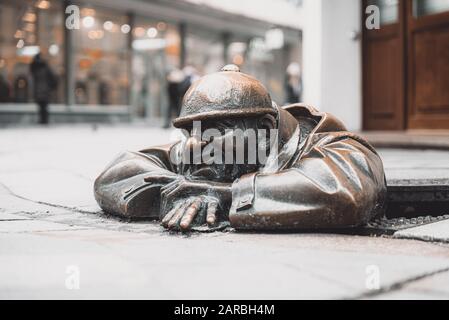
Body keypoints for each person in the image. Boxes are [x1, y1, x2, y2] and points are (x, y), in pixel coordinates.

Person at [94, 65, 386, 232]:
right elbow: (116, 174)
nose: (197, 143)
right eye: (191, 132)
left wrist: (223, 197)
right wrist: (176, 191)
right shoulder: (205, 147)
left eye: (216, 131)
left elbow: (348, 193)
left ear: (264, 126)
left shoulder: (332, 144)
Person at [30, 53, 57, 124]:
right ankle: (44, 121)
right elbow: (53, 78)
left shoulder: (36, 68)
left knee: (42, 107)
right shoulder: (43, 67)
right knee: (43, 107)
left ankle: (43, 121)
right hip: (44, 90)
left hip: (42, 90)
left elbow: (53, 79)